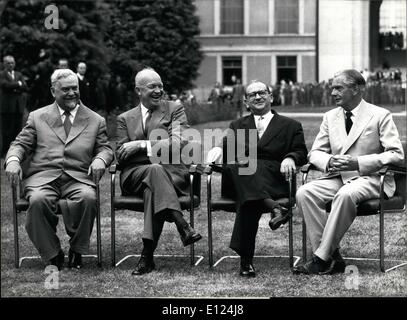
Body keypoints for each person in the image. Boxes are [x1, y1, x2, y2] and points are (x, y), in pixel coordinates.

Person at [293, 69, 404, 275]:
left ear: (357, 89)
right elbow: (315, 152)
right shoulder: (330, 117)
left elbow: (396, 154)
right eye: (332, 88)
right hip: (339, 177)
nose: (333, 92)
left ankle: (321, 258)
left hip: (373, 178)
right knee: (304, 192)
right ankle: (332, 255)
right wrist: (329, 160)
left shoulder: (380, 115)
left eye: (339, 88)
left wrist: (358, 163)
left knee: (345, 194)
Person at [4, 68, 114, 270]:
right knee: (37, 201)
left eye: (75, 88)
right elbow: (20, 144)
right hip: (43, 178)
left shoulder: (95, 120)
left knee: (88, 198)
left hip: (78, 178)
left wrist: (100, 159)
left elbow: (105, 148)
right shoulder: (37, 117)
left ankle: (77, 250)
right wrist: (12, 160)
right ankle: (53, 253)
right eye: (66, 89)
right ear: (54, 91)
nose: (72, 93)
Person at [206, 80, 308, 277]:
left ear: (271, 97)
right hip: (242, 180)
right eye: (252, 95)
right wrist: (219, 147)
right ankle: (275, 208)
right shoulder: (237, 125)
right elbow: (228, 145)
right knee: (241, 166)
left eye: (262, 93)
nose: (258, 97)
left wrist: (290, 157)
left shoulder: (290, 125)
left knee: (248, 197)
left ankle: (246, 260)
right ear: (246, 102)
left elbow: (301, 151)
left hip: (272, 179)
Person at [115, 67, 202, 276]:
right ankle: (182, 225)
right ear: (138, 90)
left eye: (160, 86)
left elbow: (178, 143)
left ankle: (147, 256)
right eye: (152, 86)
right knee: (154, 169)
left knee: (151, 188)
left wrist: (140, 146)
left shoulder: (175, 109)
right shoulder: (124, 118)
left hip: (171, 174)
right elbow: (121, 153)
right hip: (133, 176)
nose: (158, 90)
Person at [0, 55, 28, 156]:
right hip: (7, 107)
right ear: (4, 64)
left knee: (17, 131)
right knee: (7, 131)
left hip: (18, 107)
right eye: (8, 63)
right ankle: (5, 152)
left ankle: (16, 152)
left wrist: (16, 86)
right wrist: (18, 84)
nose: (11, 65)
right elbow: (5, 85)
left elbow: (25, 87)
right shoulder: (2, 74)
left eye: (12, 63)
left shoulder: (18, 74)